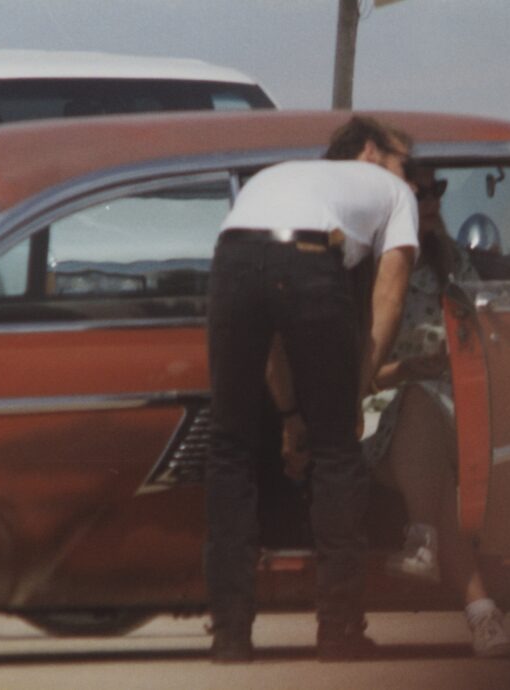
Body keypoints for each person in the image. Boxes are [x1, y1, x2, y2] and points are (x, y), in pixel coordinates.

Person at [204, 116, 418, 663]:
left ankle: (230, 635)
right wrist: (356, 389)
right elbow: (390, 297)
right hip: (309, 259)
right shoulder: (393, 191)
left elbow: (274, 339)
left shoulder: (282, 177)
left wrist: (289, 413)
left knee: (230, 448)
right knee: (337, 452)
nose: (413, 179)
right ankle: (339, 631)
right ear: (370, 152)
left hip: (232, 253)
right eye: (407, 163)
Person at [363, 166, 510, 658]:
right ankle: (481, 611)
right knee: (416, 408)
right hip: (380, 404)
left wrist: (454, 357)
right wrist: (406, 369)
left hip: (457, 400)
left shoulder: (453, 261)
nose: (432, 201)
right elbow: (353, 369)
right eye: (419, 192)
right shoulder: (370, 268)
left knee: (425, 424)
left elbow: (484, 337)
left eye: (438, 190)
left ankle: (423, 539)